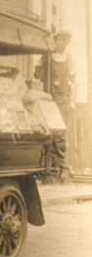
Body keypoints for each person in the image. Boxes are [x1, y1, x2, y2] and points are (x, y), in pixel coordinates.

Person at [34, 29, 78, 174]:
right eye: (60, 40)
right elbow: (38, 75)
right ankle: (46, 164)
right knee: (46, 130)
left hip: (63, 99)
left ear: (68, 42)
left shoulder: (70, 59)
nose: (62, 42)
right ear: (55, 41)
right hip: (48, 99)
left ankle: (59, 165)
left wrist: (73, 101)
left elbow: (73, 81)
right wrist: (40, 62)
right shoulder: (47, 57)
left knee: (60, 133)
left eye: (65, 40)